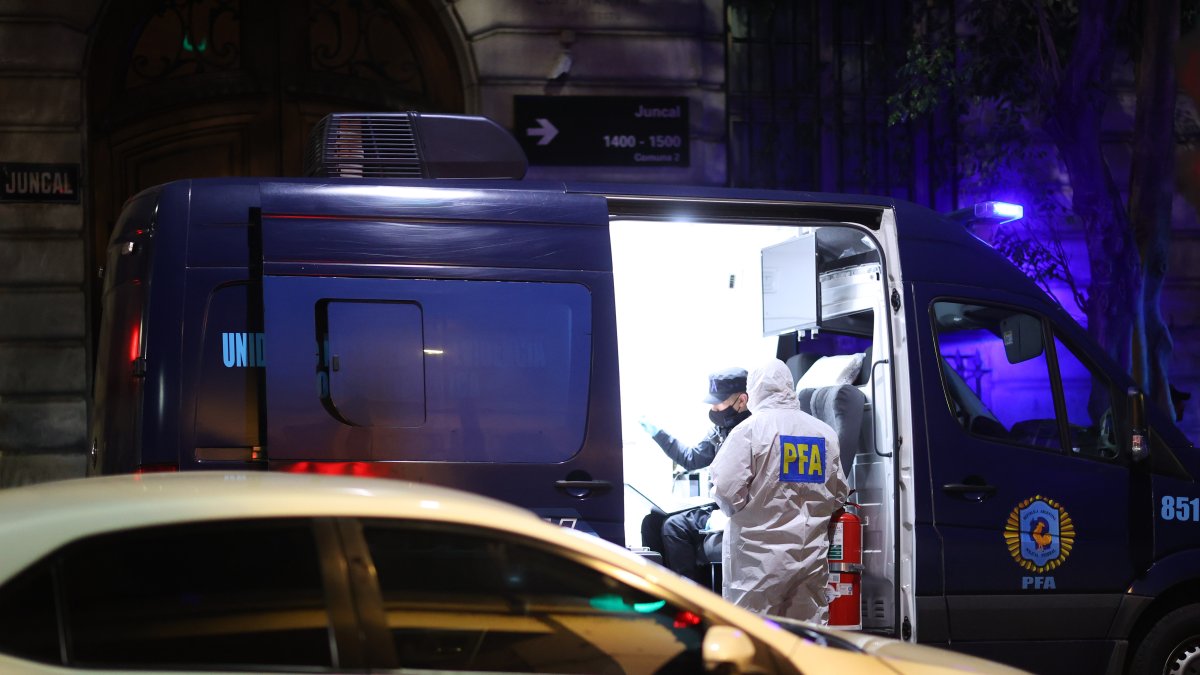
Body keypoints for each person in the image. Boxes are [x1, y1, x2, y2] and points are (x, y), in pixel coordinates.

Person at [708, 358, 850, 623]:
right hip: (809, 558)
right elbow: (839, 493)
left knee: (754, 638)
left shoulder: (748, 431)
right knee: (805, 638)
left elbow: (725, 491)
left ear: (752, 393)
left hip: (758, 564)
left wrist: (750, 512)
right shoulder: (824, 433)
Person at [638, 367, 751, 584]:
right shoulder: (720, 429)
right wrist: (658, 433)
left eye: (718, 402)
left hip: (735, 507)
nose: (713, 408)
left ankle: (691, 605)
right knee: (652, 522)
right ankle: (660, 597)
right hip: (719, 501)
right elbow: (692, 459)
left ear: (742, 400)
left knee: (675, 527)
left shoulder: (751, 430)